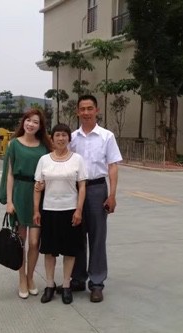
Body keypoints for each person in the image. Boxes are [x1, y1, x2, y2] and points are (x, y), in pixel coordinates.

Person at [62, 94, 122, 303]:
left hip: (97, 189)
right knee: (76, 234)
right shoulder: (72, 138)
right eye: (82, 109)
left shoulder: (107, 136)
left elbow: (113, 166)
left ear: (97, 110)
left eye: (90, 108)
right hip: (75, 190)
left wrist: (112, 195)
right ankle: (77, 278)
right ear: (77, 112)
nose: (86, 112)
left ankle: (96, 283)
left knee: (97, 237)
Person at [0, 109, 51, 299]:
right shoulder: (14, 144)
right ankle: (21, 278)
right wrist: (9, 201)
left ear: (40, 126)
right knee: (20, 242)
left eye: (35, 122)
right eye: (28, 120)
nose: (31, 124)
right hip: (19, 194)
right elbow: (9, 174)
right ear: (23, 122)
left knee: (35, 242)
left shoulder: (45, 147)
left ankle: (30, 278)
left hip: (38, 196)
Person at [33, 124, 87, 305]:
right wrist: (36, 210)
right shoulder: (44, 160)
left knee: (70, 251)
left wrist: (79, 210)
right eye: (57, 135)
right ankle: (49, 285)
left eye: (64, 135)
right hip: (49, 211)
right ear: (52, 138)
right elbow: (37, 187)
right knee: (49, 251)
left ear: (69, 139)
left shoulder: (77, 159)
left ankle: (66, 285)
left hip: (70, 210)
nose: (61, 138)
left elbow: (82, 186)